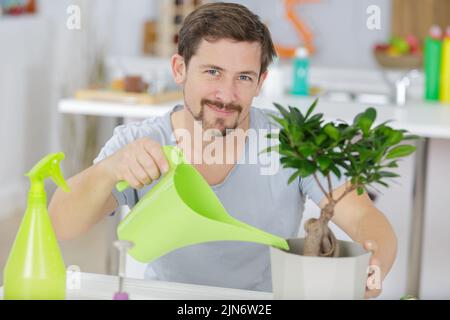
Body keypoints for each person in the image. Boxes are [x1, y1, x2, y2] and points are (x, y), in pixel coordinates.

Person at [49, 2, 396, 298]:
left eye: (243, 77)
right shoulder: (139, 143)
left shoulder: (293, 141)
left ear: (260, 82)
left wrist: (375, 262)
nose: (226, 94)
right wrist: (109, 169)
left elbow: (364, 216)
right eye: (213, 72)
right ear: (180, 69)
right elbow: (61, 224)